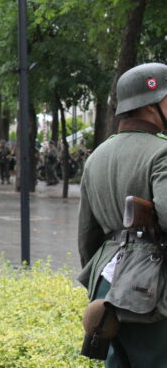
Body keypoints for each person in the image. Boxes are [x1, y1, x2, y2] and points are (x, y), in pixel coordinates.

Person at [78, 62, 167, 367]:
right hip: (151, 287)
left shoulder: (97, 156)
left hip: (106, 285)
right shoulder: (162, 152)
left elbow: (87, 237)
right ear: (154, 104)